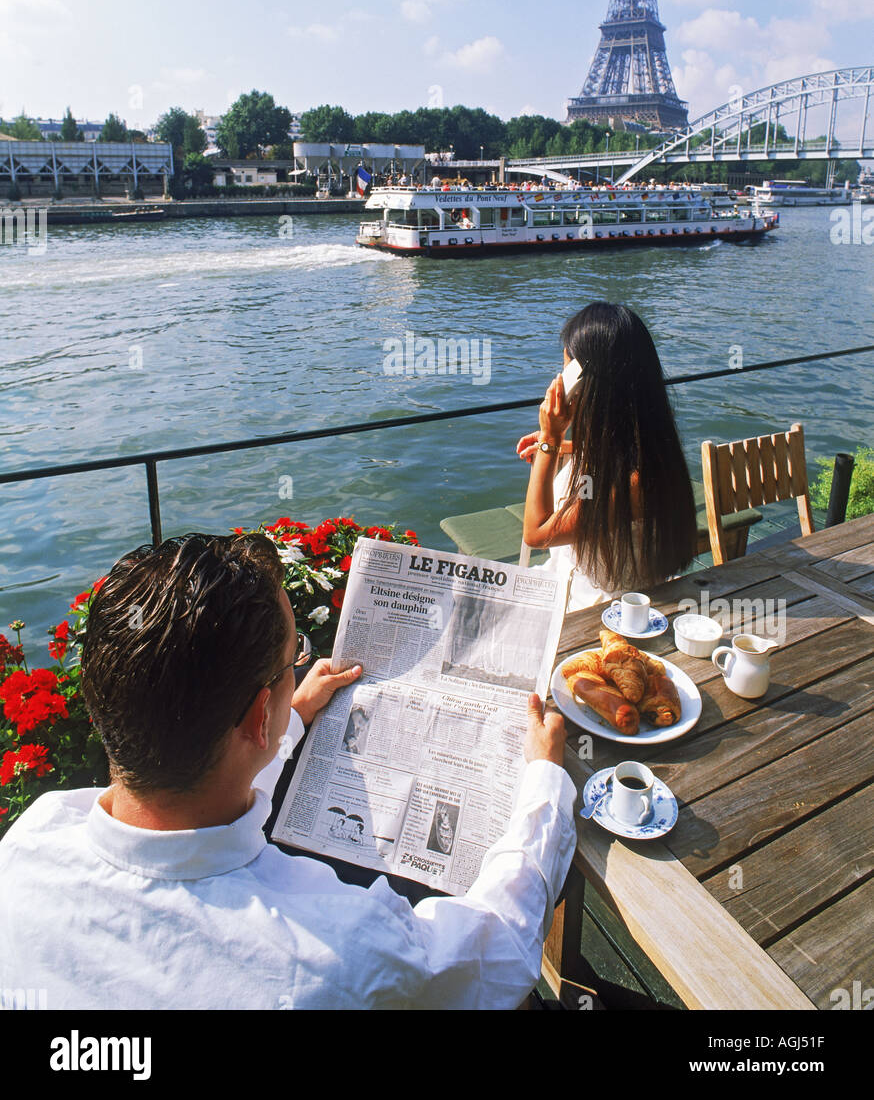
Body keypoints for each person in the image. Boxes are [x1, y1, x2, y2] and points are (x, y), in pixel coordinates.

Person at [0, 533, 575, 1010]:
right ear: (256, 716)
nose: (298, 663)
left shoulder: (31, 842)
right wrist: (544, 779)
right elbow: (493, 949)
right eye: (291, 658)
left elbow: (208, 795)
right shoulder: (335, 951)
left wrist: (289, 712)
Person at [519, 302, 697, 612]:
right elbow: (617, 454)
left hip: (598, 613)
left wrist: (550, 440)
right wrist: (567, 446)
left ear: (589, 383)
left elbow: (537, 533)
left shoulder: (634, 482)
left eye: (567, 368)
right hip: (568, 586)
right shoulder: (651, 446)